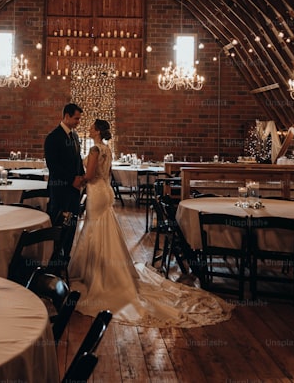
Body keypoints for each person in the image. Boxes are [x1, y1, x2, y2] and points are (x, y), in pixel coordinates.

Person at [68, 119, 234, 328]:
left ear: (98, 131)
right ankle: (107, 269)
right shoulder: (107, 149)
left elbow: (90, 175)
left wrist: (78, 180)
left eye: (92, 127)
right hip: (105, 191)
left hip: (96, 191)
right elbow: (106, 175)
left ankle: (98, 273)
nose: (89, 129)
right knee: (104, 228)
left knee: (95, 228)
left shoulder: (94, 149)